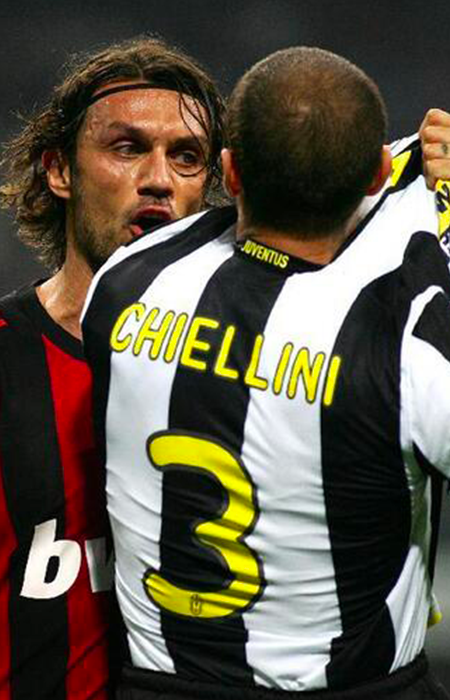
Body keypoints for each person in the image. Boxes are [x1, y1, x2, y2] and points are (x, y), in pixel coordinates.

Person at [82, 47, 450, 700]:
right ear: (373, 177)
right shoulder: (409, 348)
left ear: (229, 170)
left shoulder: (125, 285)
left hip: (159, 688)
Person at [0, 36, 225, 699]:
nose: (159, 179)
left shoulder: (248, 367)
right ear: (59, 171)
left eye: (186, 157)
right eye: (127, 148)